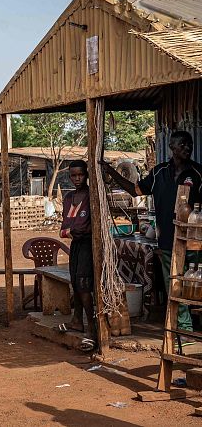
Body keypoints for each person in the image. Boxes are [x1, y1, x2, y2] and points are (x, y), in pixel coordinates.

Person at [102, 130, 201, 338]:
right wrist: (111, 173)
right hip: (166, 241)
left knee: (194, 284)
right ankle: (184, 329)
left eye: (189, 144)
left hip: (194, 241)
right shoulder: (158, 173)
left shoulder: (198, 173)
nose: (187, 148)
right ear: (172, 148)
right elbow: (135, 190)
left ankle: (190, 326)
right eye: (182, 145)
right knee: (173, 285)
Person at [59, 160, 96, 351]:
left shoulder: (92, 196)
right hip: (76, 245)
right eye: (73, 175)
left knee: (83, 284)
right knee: (75, 282)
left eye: (80, 174)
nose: (77, 178)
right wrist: (71, 230)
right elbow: (64, 229)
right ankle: (77, 321)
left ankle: (92, 327)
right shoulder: (68, 198)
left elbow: (81, 228)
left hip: (89, 245)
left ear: (86, 175)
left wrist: (72, 230)